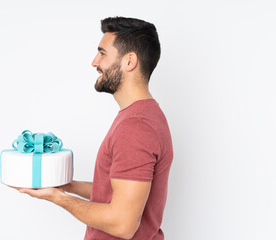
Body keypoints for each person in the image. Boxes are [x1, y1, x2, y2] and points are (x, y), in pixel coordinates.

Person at [12, 16, 173, 240]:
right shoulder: (143, 116)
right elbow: (118, 192)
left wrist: (59, 199)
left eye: (102, 53)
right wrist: (67, 185)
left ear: (129, 62)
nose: (94, 62)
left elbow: (122, 225)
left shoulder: (136, 126)